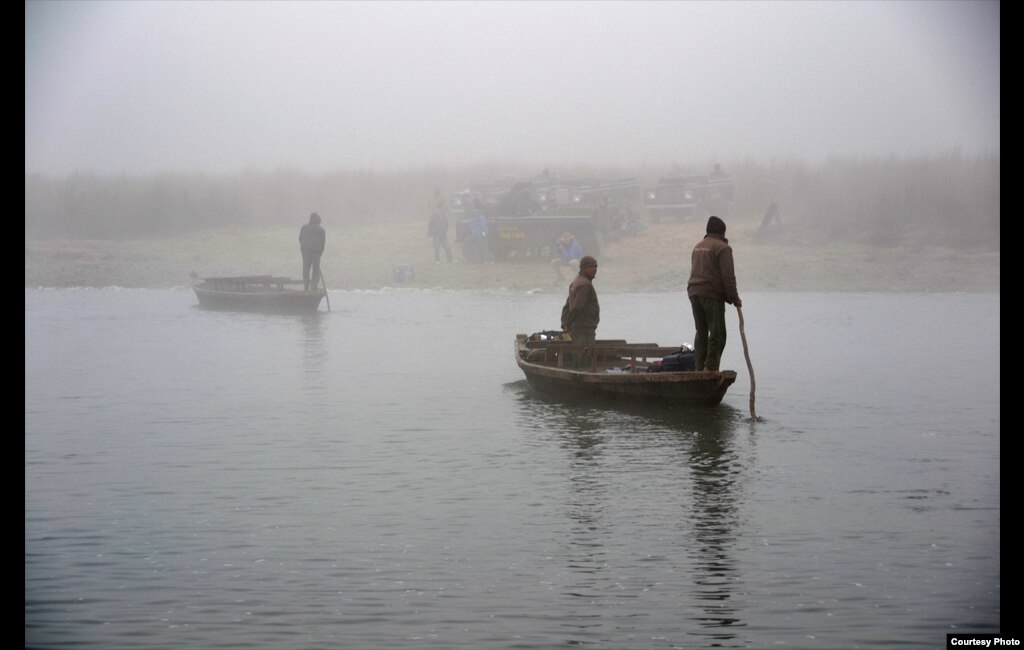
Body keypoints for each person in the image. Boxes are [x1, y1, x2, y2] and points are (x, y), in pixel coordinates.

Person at [686, 216, 741, 373]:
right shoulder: (723, 248)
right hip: (710, 295)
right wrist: (734, 298)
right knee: (717, 334)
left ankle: (699, 369)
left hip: (693, 293)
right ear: (722, 233)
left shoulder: (697, 246)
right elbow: (728, 277)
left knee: (701, 332)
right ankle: (710, 369)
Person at [561, 256, 600, 349]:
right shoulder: (584, 285)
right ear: (584, 268)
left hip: (579, 329)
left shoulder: (576, 282)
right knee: (585, 357)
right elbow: (577, 307)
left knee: (579, 355)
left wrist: (565, 323)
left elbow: (567, 306)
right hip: (584, 330)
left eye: (596, 267)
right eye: (592, 267)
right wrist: (567, 323)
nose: (595, 269)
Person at [299, 212, 326, 291]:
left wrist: (305, 247)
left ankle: (306, 286)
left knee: (306, 269)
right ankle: (314, 287)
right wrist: (320, 253)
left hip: (305, 252)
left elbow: (300, 239)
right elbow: (323, 243)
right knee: (315, 270)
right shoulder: (321, 230)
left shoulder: (304, 228)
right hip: (316, 253)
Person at [427, 188, 454, 263]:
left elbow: (446, 224)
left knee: (447, 246)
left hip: (443, 232)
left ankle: (450, 259)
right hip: (436, 233)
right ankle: (437, 260)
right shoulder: (433, 216)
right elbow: (430, 225)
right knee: (437, 247)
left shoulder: (440, 199)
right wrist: (431, 232)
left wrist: (445, 230)